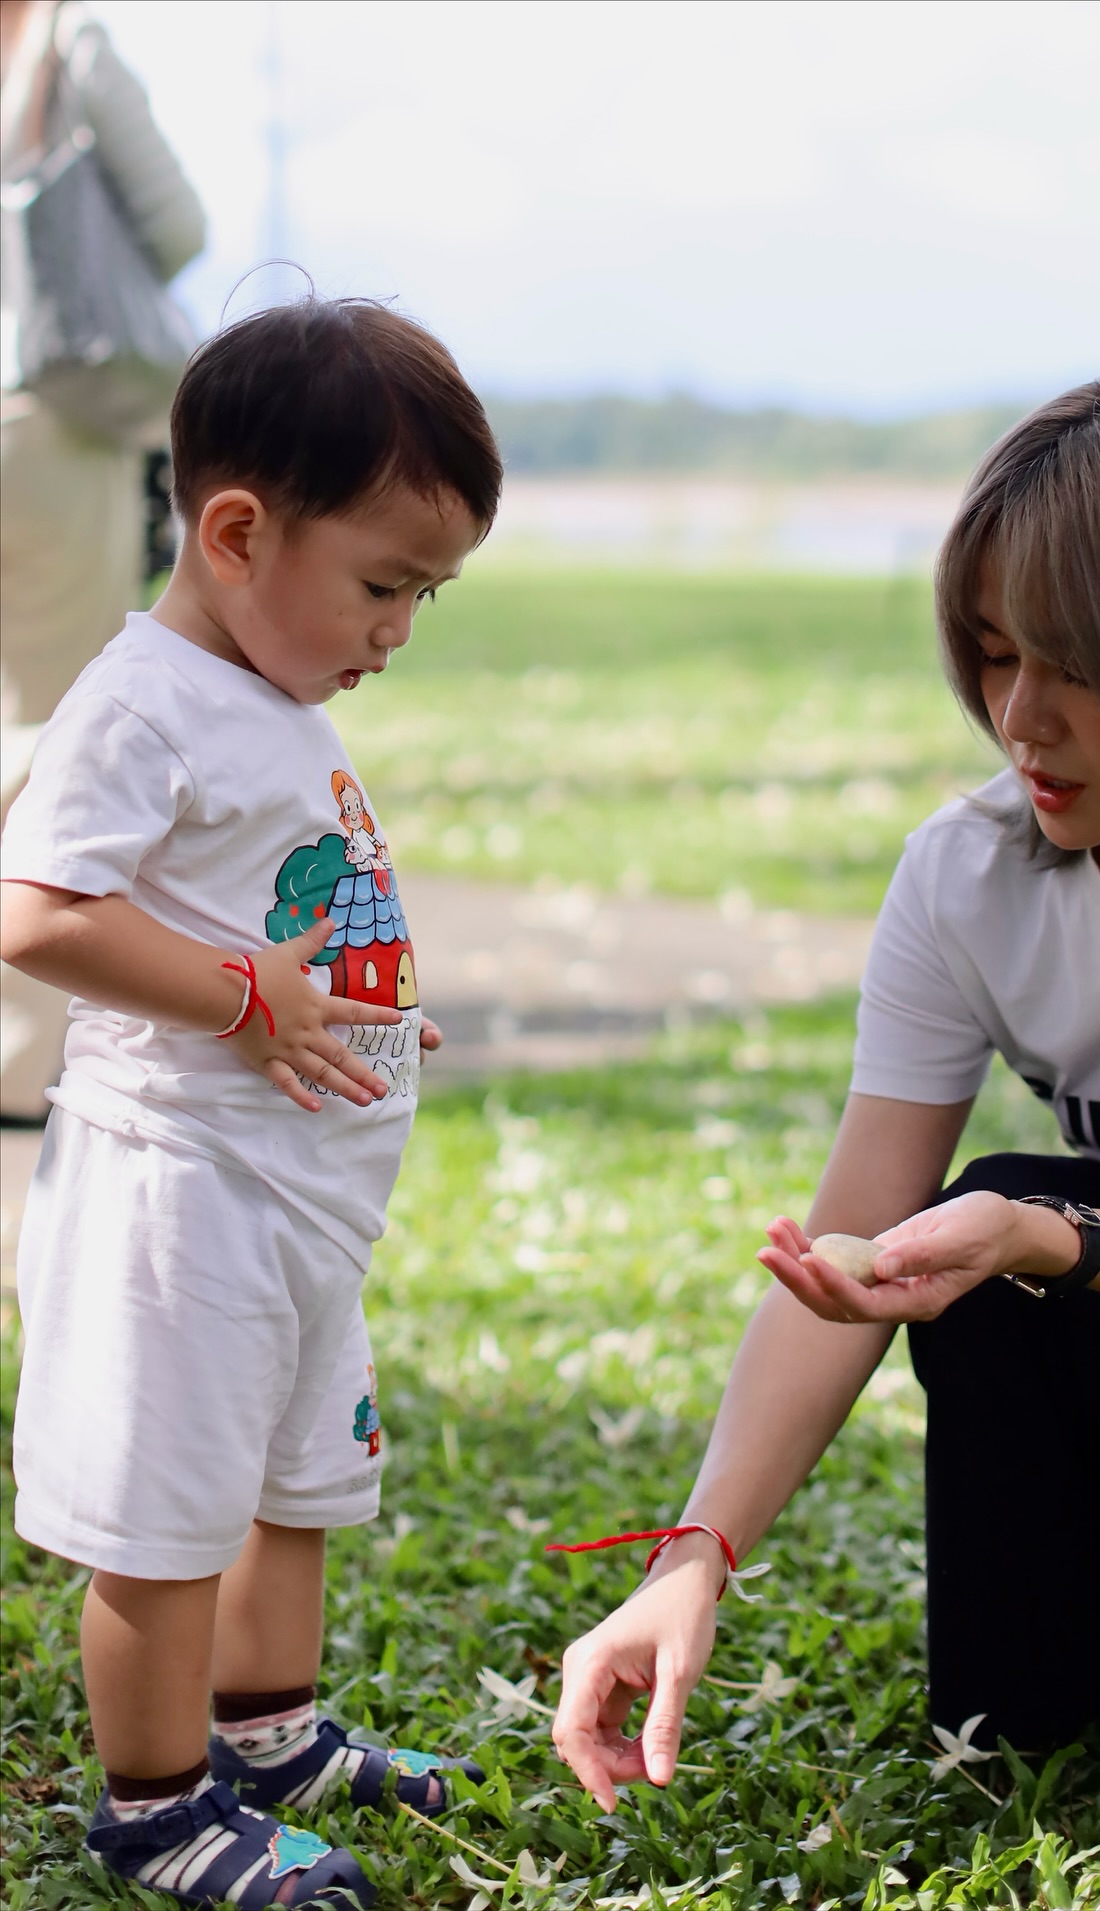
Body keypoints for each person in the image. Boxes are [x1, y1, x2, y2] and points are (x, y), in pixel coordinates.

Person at [551, 370, 1100, 1809]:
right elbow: (847, 1244)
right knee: (968, 1257)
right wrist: (693, 1553)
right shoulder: (964, 872)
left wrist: (1046, 1234)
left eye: (1076, 664)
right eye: (989, 651)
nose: (1019, 716)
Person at [0, 296, 503, 1906]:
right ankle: (154, 1805)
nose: (398, 631)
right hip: (179, 1196)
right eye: (383, 584)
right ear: (234, 531)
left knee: (293, 1484)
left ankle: (268, 1733)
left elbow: (275, 907)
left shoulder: (270, 701)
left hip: (292, 1201)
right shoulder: (138, 702)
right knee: (166, 1513)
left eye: (424, 595)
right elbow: (39, 912)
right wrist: (244, 998)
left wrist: (367, 1015)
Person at [0, 0, 205, 1119]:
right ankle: (21, 1057)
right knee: (48, 723)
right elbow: (175, 227)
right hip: (44, 416)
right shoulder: (64, 45)